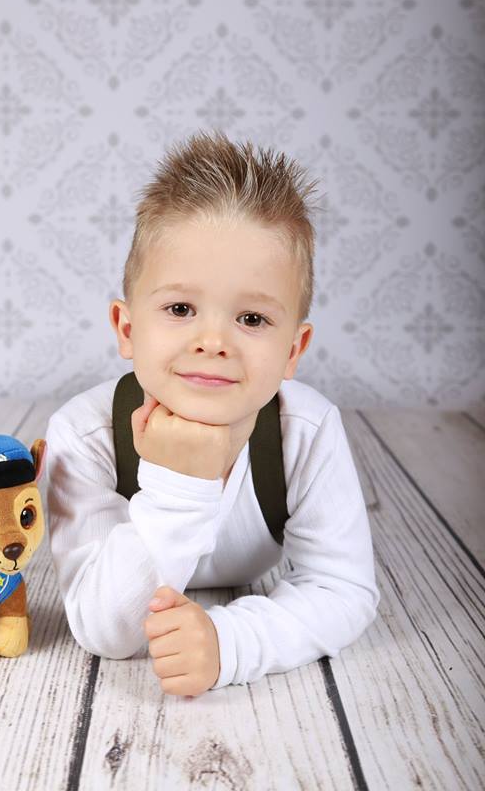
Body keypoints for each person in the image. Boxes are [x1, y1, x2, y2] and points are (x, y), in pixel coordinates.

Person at [44, 130, 379, 697]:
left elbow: (343, 589)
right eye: (180, 308)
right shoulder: (84, 434)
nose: (214, 341)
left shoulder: (306, 430)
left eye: (252, 319)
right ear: (127, 328)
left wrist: (230, 643)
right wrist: (180, 483)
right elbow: (105, 628)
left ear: (293, 349)